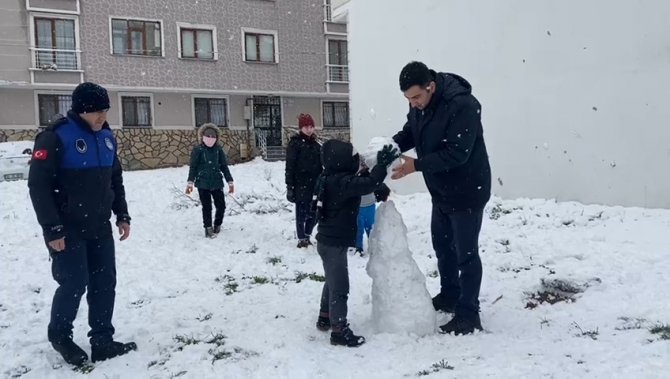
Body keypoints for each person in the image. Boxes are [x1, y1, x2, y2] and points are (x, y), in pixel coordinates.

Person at [28, 82, 136, 366]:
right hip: (67, 227)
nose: (101, 117)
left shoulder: (106, 136)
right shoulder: (55, 137)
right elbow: (39, 186)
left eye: (104, 110)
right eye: (95, 112)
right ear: (80, 110)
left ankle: (102, 340)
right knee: (74, 282)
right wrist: (52, 228)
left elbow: (115, 180)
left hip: (99, 225)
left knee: (104, 282)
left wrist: (122, 214)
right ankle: (61, 337)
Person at [391, 61, 492, 335]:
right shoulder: (419, 105)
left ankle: (469, 313)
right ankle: (450, 293)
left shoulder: (463, 105)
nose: (413, 103)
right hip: (442, 191)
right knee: (443, 247)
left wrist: (417, 165)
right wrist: (389, 147)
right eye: (408, 99)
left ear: (430, 86)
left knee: (465, 253)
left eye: (416, 97)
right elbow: (411, 131)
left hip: (468, 190)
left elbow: (458, 153)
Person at [312, 139, 398, 347]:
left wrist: (370, 173)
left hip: (328, 241)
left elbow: (360, 182)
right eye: (354, 159)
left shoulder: (330, 177)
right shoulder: (342, 182)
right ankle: (339, 330)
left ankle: (325, 316)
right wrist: (381, 167)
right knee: (340, 286)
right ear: (342, 162)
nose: (357, 161)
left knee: (332, 280)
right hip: (334, 243)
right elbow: (366, 184)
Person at [186, 123, 235, 238]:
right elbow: (193, 167)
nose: (210, 139)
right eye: (208, 136)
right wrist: (190, 182)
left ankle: (217, 224)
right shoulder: (198, 150)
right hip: (203, 183)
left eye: (213, 137)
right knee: (207, 207)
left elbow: (224, 166)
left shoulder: (218, 150)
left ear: (217, 138)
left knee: (221, 205)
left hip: (217, 182)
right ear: (202, 136)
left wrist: (230, 181)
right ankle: (208, 229)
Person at [285, 113, 322, 248]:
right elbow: (290, 166)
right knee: (301, 212)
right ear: (301, 128)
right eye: (306, 126)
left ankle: (307, 234)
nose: (309, 129)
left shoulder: (317, 145)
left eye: (311, 126)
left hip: (315, 184)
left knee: (314, 212)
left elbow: (321, 165)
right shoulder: (295, 144)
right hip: (300, 184)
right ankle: (301, 239)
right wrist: (290, 186)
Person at [354, 163, 391, 256]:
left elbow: (379, 186)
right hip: (360, 208)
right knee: (360, 229)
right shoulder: (355, 180)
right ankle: (359, 248)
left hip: (369, 206)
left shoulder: (369, 179)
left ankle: (373, 246)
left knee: (370, 228)